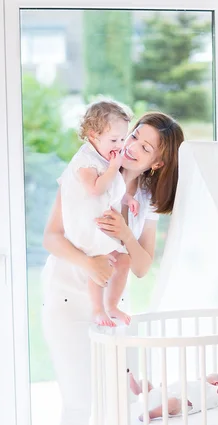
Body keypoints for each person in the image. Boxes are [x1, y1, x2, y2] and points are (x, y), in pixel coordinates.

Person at [42, 112, 185, 425]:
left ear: (157, 163)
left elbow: (141, 267)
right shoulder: (89, 169)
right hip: (68, 300)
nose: (131, 147)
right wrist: (88, 262)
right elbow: (52, 236)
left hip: (110, 306)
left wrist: (124, 231)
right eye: (134, 136)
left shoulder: (146, 198)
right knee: (79, 403)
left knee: (123, 409)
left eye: (144, 146)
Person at [58, 99, 137, 327]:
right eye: (114, 139)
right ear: (93, 135)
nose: (120, 144)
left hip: (100, 223)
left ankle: (112, 305)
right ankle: (98, 309)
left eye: (123, 138)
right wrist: (114, 167)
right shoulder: (85, 161)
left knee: (123, 260)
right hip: (86, 225)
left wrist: (127, 198)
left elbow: (111, 189)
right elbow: (95, 189)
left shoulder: (105, 157)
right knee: (102, 264)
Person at [129, 355, 218, 420]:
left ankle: (150, 414)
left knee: (174, 402)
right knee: (145, 383)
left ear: (216, 383)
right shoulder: (196, 384)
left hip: (174, 406)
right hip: (161, 394)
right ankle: (138, 388)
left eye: (208, 375)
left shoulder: (213, 393)